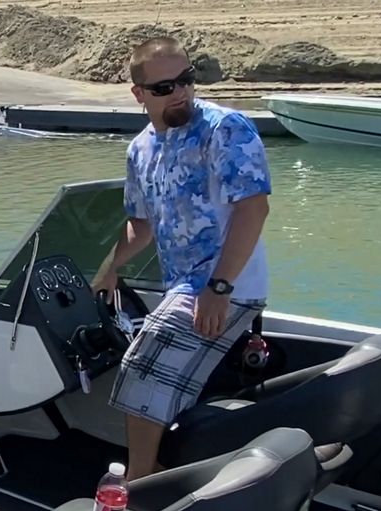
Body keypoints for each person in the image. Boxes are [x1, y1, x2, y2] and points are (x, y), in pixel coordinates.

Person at [93, 36, 272, 482]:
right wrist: (109, 269)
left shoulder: (224, 128)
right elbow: (142, 224)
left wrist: (220, 288)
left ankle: (140, 479)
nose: (180, 92)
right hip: (186, 288)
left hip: (226, 286)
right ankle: (160, 470)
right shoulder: (140, 150)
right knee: (149, 368)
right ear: (139, 94)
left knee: (140, 366)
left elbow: (254, 208)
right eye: (164, 87)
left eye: (186, 80)